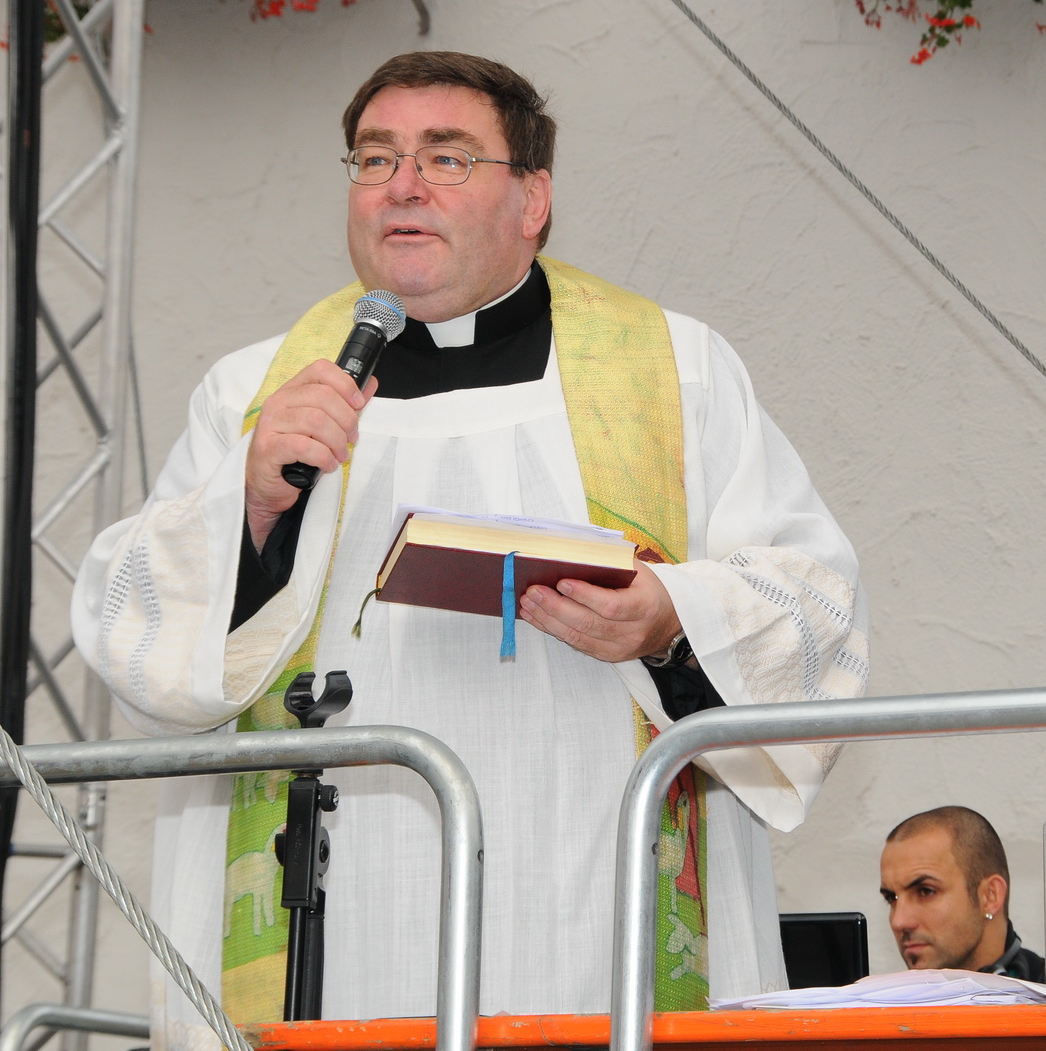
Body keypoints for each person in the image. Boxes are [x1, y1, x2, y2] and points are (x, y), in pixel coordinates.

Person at [72, 52, 869, 1045]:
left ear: (532, 198)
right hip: (335, 910)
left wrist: (671, 617)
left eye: (446, 158)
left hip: (589, 888)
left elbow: (815, 602)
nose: (401, 184)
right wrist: (250, 504)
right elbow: (133, 628)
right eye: (374, 159)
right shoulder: (259, 390)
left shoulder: (675, 371)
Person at [878, 806, 1045, 981]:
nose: (899, 921)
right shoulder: (873, 1004)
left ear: (990, 896)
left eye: (925, 892)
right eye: (891, 898)